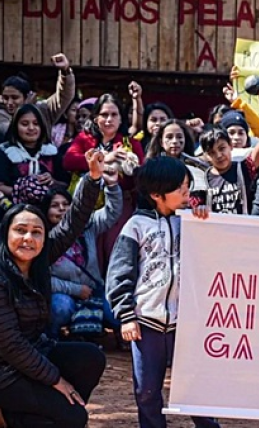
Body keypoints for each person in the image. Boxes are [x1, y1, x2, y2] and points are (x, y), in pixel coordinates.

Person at [106, 157, 219, 428]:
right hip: (146, 323)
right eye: (180, 189)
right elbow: (119, 274)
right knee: (146, 391)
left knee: (194, 388)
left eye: (187, 187)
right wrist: (126, 315)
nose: (186, 193)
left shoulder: (191, 220)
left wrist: (203, 217)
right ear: (157, 194)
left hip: (186, 323)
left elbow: (213, 252)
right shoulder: (135, 226)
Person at [0, 149, 106, 428]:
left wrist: (93, 178)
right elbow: (10, 345)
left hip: (36, 351)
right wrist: (56, 380)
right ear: (6, 234)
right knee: (75, 418)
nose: (28, 238)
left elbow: (73, 223)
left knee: (90, 358)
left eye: (36, 232)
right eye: (20, 230)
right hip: (4, 370)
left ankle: (25, 417)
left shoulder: (39, 260)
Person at [64, 93, 145, 274]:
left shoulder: (130, 143)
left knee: (113, 252)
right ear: (95, 118)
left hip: (118, 206)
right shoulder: (84, 139)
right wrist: (106, 159)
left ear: (121, 118)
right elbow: (69, 160)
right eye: (104, 115)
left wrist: (129, 166)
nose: (109, 120)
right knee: (85, 255)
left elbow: (139, 178)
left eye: (114, 115)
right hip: (85, 205)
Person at [41, 173, 122, 340]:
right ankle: (53, 339)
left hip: (94, 291)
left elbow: (111, 213)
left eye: (66, 204)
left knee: (117, 314)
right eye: (55, 205)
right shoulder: (41, 239)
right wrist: (76, 290)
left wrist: (112, 186)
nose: (62, 209)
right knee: (60, 308)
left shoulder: (88, 226)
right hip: (64, 295)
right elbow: (43, 279)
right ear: (46, 210)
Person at [0, 104, 61, 202]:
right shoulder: (4, 152)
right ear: (15, 126)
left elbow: (65, 183)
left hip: (48, 208)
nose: (31, 128)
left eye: (36, 123)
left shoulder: (52, 151)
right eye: (24, 124)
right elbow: (0, 186)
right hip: (13, 209)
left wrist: (52, 181)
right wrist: (24, 192)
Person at [1, 54, 75, 135]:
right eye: (5, 98)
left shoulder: (43, 110)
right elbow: (8, 133)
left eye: (14, 97)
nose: (9, 102)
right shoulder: (1, 116)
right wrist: (25, 109)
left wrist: (65, 71)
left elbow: (64, 96)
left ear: (28, 96)